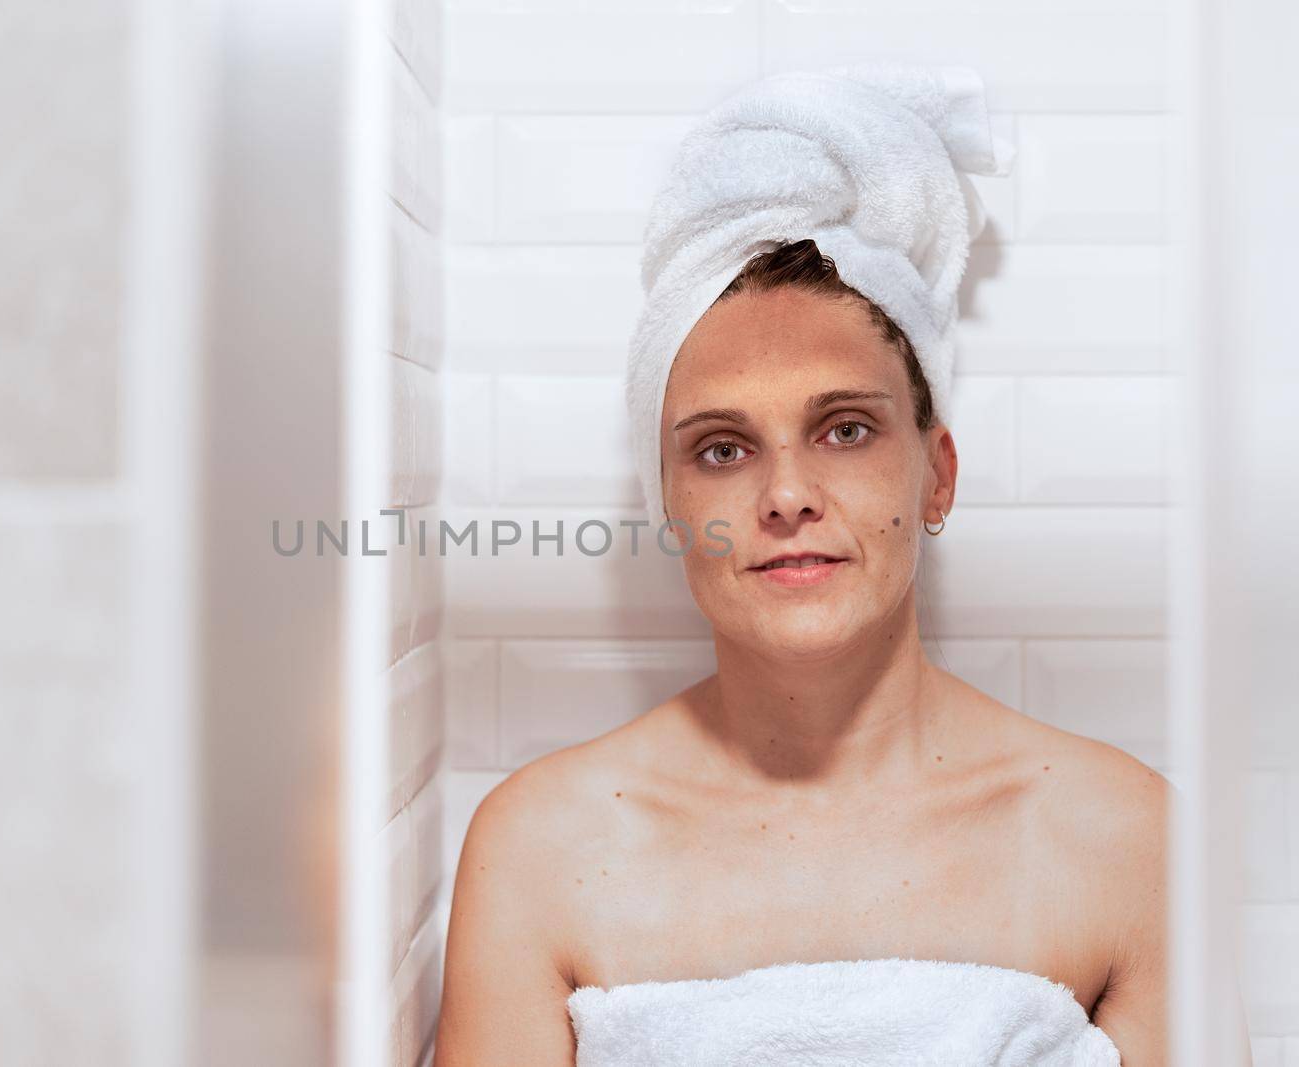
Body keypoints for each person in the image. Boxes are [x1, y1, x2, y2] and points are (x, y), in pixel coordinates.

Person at [432, 238, 1243, 1066]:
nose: (787, 496)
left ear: (937, 474)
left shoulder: (1125, 839)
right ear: (670, 505)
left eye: (845, 429)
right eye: (722, 448)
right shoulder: (544, 850)